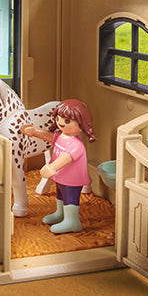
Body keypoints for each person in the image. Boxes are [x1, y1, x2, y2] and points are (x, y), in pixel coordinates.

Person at [20, 99, 95, 234]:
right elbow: (50, 137)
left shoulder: (76, 145)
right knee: (60, 195)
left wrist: (52, 167)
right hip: (61, 177)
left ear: (81, 123)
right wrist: (35, 131)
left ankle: (72, 221)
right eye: (59, 118)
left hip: (72, 179)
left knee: (70, 198)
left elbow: (67, 157)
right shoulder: (62, 136)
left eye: (67, 121)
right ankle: (61, 214)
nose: (61, 122)